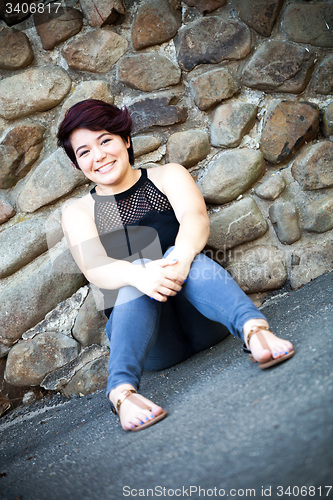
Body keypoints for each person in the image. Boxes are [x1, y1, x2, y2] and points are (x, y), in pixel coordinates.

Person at [57, 99, 295, 432]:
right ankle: (123, 395)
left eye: (105, 140)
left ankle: (256, 331)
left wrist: (178, 260)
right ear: (77, 164)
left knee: (188, 256)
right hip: (153, 342)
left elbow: (195, 219)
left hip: (203, 317)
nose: (98, 156)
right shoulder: (79, 211)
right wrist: (142, 276)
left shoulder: (167, 175)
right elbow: (93, 265)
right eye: (84, 152)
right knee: (132, 276)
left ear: (125, 140)